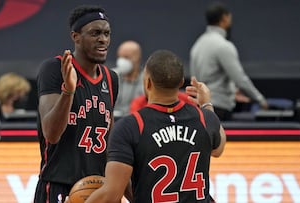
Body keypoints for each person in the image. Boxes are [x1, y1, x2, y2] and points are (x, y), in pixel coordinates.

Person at [86, 50, 226, 203]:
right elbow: (218, 149)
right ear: (180, 83)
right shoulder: (205, 118)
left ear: (147, 82)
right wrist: (206, 105)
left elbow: (112, 194)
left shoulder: (130, 126)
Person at [33, 5, 120, 203]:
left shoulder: (111, 78)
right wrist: (69, 91)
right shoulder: (54, 68)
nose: (103, 39)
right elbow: (51, 133)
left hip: (98, 187)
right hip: (58, 185)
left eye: (107, 33)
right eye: (95, 33)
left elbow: (110, 146)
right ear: (76, 36)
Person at [189, 2, 268, 121]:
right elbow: (240, 79)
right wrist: (261, 100)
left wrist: (232, 92)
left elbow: (196, 81)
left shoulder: (197, 45)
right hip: (220, 110)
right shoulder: (223, 46)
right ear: (224, 18)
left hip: (202, 108)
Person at [112, 40, 144, 118]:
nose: (122, 61)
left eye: (126, 57)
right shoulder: (111, 76)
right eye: (120, 57)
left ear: (138, 58)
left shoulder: (147, 81)